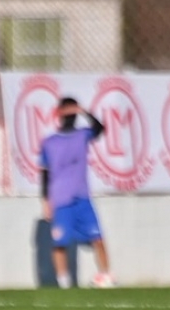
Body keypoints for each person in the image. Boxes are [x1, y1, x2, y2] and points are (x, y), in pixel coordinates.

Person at [39, 96, 115, 289]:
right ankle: (63, 283)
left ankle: (106, 276)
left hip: (82, 198)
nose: (70, 116)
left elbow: (100, 128)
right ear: (60, 114)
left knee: (98, 238)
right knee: (60, 242)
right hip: (61, 199)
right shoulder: (50, 142)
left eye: (73, 113)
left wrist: (84, 111)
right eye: (67, 112)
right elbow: (45, 173)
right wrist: (46, 200)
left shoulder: (83, 135)